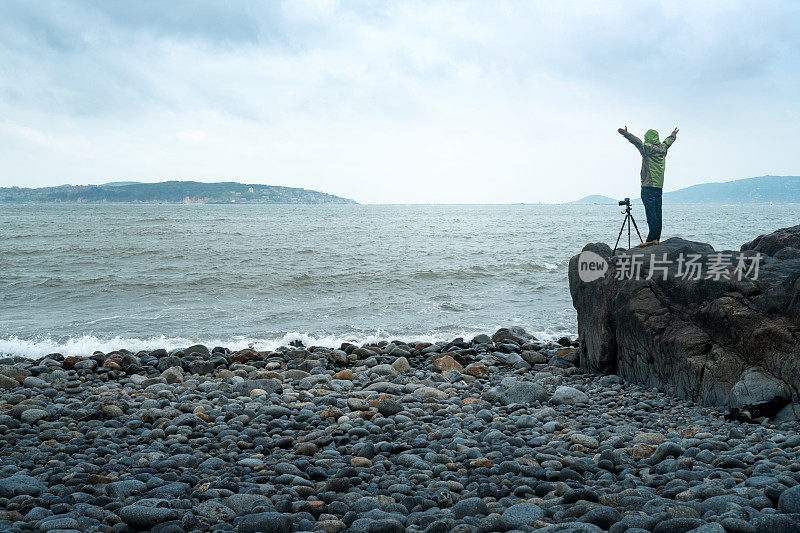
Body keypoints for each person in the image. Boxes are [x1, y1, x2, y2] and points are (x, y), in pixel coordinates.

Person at [618, 126, 678, 245]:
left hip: (648, 185)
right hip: (659, 187)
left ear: (648, 139)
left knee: (651, 214)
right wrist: (673, 135)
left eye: (646, 138)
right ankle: (656, 238)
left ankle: (651, 239)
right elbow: (667, 142)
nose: (645, 140)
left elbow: (637, 142)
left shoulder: (647, 149)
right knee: (657, 213)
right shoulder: (663, 149)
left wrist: (626, 134)